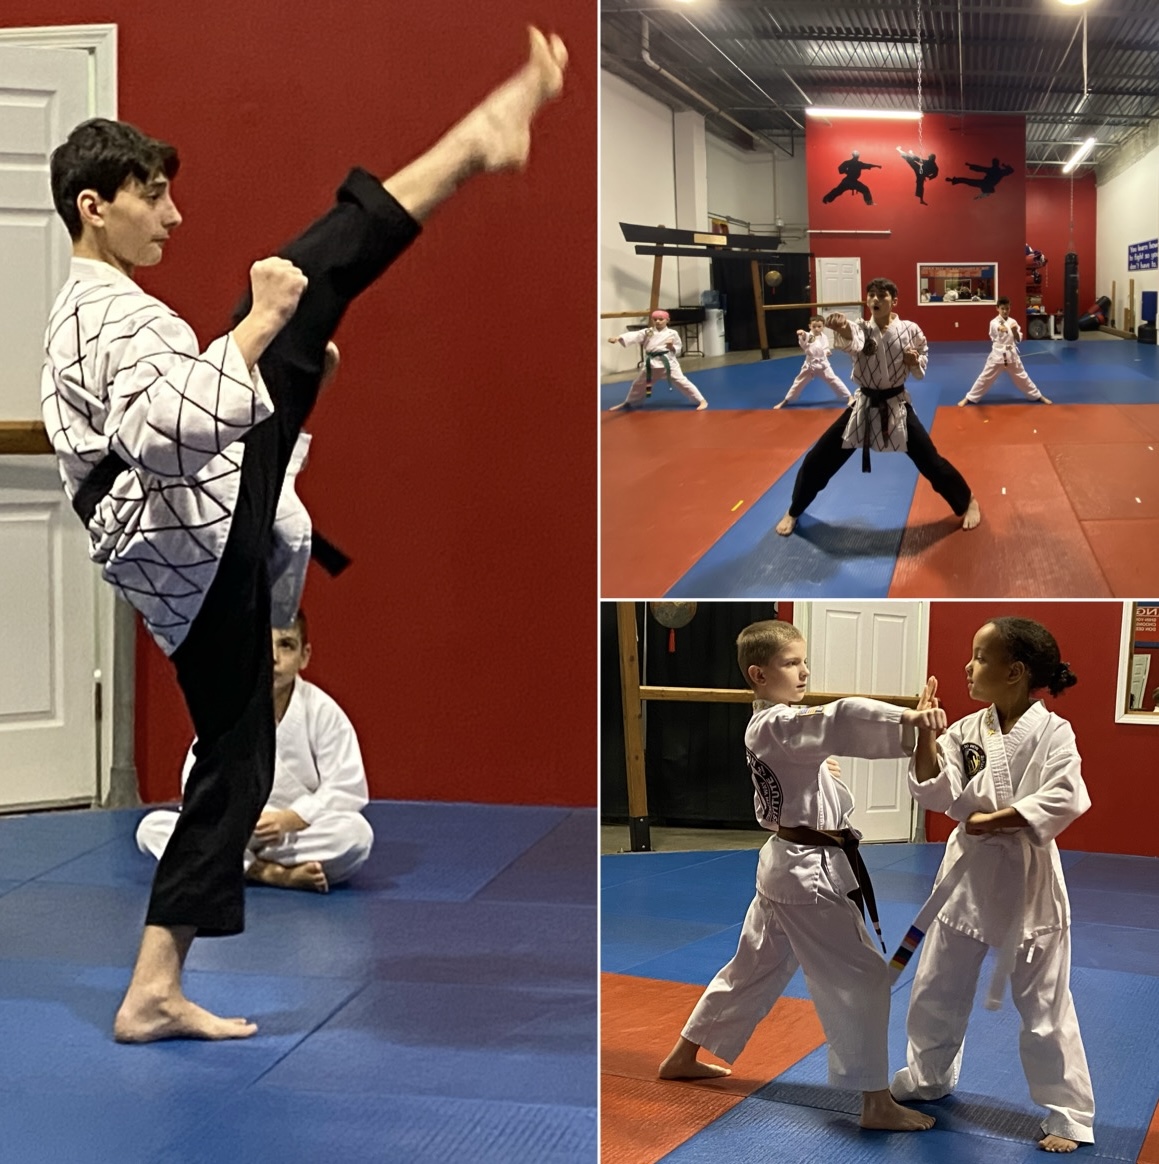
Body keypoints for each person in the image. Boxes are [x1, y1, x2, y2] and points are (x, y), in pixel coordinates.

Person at [39, 27, 567, 1043]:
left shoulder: (99, 312)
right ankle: (473, 142)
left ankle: (152, 988)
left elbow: (168, 423)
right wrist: (258, 329)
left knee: (237, 761)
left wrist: (276, 378)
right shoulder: (108, 315)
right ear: (94, 206)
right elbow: (164, 434)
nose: (174, 216)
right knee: (301, 277)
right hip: (184, 532)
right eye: (154, 197)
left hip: (175, 541)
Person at [658, 619, 943, 1134]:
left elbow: (812, 747)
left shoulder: (771, 726)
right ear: (758, 674)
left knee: (751, 969)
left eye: (804, 660)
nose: (804, 671)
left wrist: (819, 770)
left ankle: (682, 1055)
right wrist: (908, 721)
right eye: (791, 663)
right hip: (808, 879)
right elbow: (839, 717)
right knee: (863, 979)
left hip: (784, 870)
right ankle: (875, 1102)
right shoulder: (778, 726)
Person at [892, 618, 1094, 1153]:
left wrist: (993, 820)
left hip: (1028, 884)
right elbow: (937, 790)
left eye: (980, 656)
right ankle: (928, 1076)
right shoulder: (966, 730)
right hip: (967, 877)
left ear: (1015, 671)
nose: (968, 666)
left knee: (1046, 1006)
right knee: (935, 987)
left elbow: (1065, 795)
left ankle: (1069, 1112)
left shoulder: (1055, 733)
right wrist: (926, 736)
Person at [136, 611, 373, 894]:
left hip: (296, 832)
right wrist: (237, 820)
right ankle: (267, 872)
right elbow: (196, 783)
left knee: (355, 836)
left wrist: (289, 818)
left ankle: (232, 865)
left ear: (304, 656)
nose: (273, 658)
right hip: (238, 829)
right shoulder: (228, 709)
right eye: (262, 646)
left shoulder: (323, 712)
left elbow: (345, 788)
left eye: (286, 645)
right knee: (151, 828)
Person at [775, 277, 981, 536]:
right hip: (864, 403)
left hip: (896, 404)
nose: (875, 299)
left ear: (894, 301)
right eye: (871, 295)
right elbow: (852, 336)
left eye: (881, 295)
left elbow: (921, 362)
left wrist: (914, 362)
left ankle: (968, 500)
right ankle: (795, 509)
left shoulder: (910, 329)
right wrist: (841, 327)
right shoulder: (861, 327)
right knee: (819, 458)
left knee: (930, 461)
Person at [958, 297, 1052, 406]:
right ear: (997, 308)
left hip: (1011, 355)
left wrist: (1014, 331)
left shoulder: (1013, 322)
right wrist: (1000, 328)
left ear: (1010, 308)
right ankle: (969, 397)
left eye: (1007, 308)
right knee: (985, 377)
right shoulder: (993, 322)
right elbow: (996, 328)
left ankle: (1037, 396)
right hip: (997, 355)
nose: (1005, 311)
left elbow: (1018, 339)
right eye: (1002, 308)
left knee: (1022, 377)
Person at [607, 310, 708, 410]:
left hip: (668, 363)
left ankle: (701, 400)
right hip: (651, 363)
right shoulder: (649, 332)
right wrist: (618, 338)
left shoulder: (672, 333)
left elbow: (678, 347)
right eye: (655, 319)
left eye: (661, 319)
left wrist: (671, 347)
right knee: (639, 384)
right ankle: (629, 402)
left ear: (667, 320)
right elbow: (635, 335)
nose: (658, 321)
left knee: (682, 382)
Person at [774, 316, 853, 409]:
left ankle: (850, 397)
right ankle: (786, 400)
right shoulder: (809, 336)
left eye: (819, 326)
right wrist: (803, 333)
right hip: (810, 365)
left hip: (823, 364)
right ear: (810, 326)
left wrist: (827, 352)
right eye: (814, 326)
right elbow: (806, 337)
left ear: (823, 327)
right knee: (798, 382)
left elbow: (825, 348)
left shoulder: (824, 337)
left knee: (834, 379)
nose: (816, 329)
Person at [946, 158, 1014, 199]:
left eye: (994, 163)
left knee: (967, 181)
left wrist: (971, 166)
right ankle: (954, 180)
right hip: (985, 184)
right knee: (967, 181)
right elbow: (980, 168)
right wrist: (1005, 166)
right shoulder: (1001, 172)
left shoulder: (997, 171)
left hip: (984, 184)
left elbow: (980, 168)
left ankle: (954, 180)